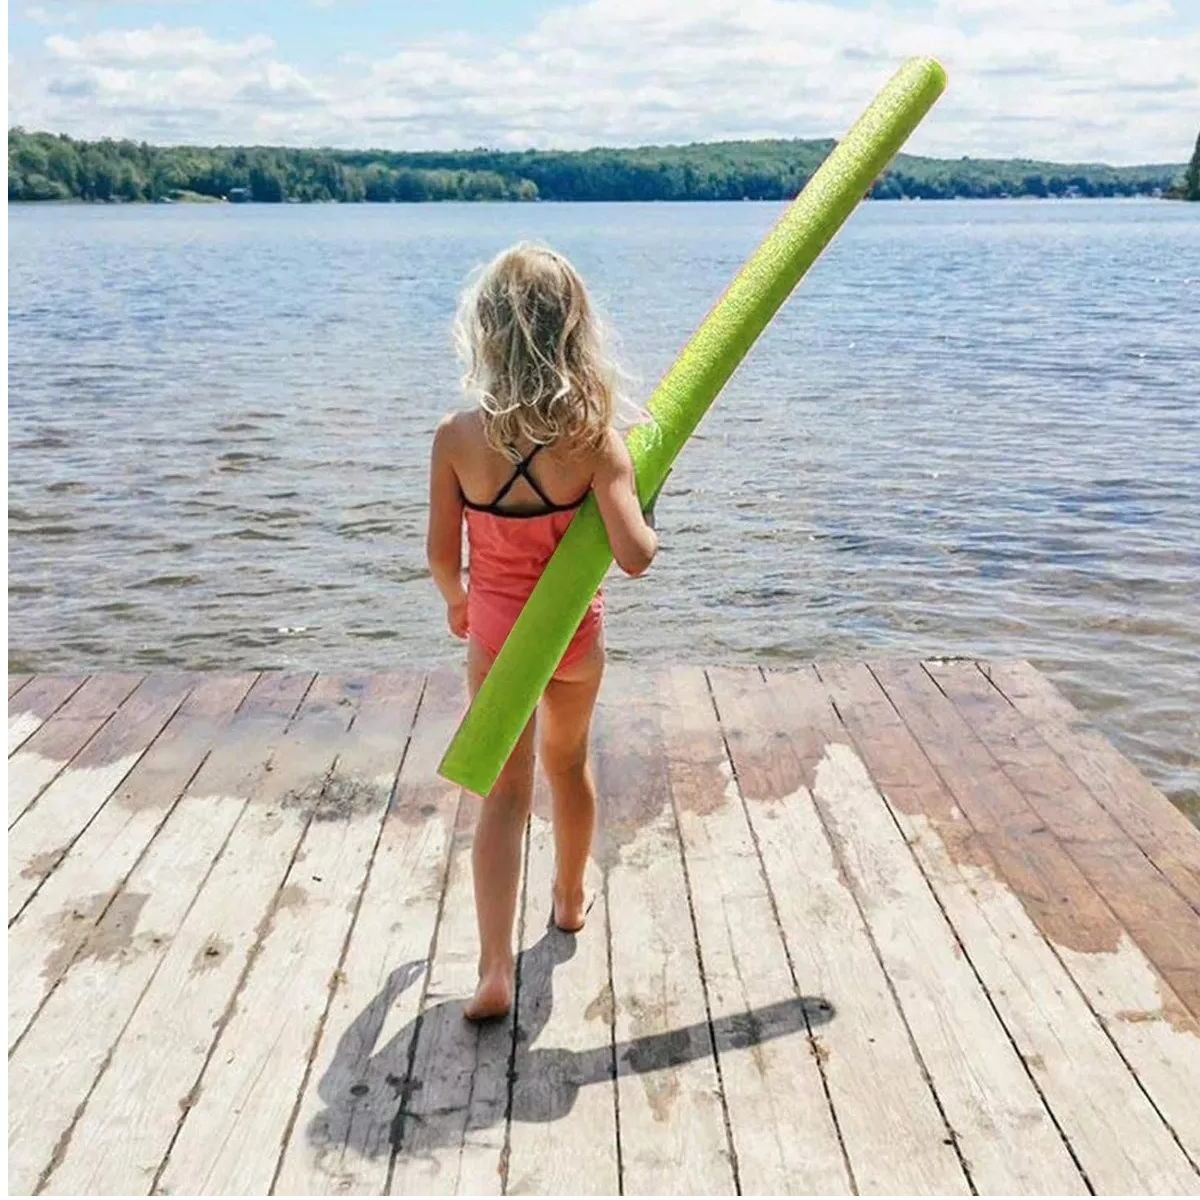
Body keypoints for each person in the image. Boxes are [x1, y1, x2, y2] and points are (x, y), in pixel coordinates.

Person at [426, 243, 658, 1020]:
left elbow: (438, 555)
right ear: (574, 334)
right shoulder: (593, 440)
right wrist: (642, 506)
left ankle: (494, 967)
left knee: (503, 795)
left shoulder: (456, 439)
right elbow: (633, 558)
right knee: (568, 766)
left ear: (486, 333)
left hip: (496, 639)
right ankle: (568, 900)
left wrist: (460, 600)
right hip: (573, 643)